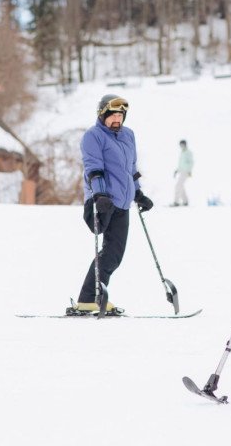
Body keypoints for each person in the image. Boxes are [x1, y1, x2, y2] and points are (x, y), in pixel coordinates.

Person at [68, 94, 154, 315]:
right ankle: (88, 298)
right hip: (101, 200)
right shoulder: (93, 136)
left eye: (120, 115)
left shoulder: (128, 135)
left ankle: (93, 297)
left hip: (122, 202)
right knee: (107, 252)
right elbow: (93, 168)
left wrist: (139, 194)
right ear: (102, 115)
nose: (117, 119)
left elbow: (131, 169)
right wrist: (99, 196)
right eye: (113, 115)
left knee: (114, 254)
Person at [172, 139, 194, 207]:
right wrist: (177, 170)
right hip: (181, 171)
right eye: (180, 145)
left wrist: (189, 171)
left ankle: (176, 202)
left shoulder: (188, 152)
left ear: (185, 144)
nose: (181, 146)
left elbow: (191, 162)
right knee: (181, 186)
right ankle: (185, 201)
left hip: (186, 172)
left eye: (182, 144)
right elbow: (181, 164)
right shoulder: (182, 152)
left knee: (178, 186)